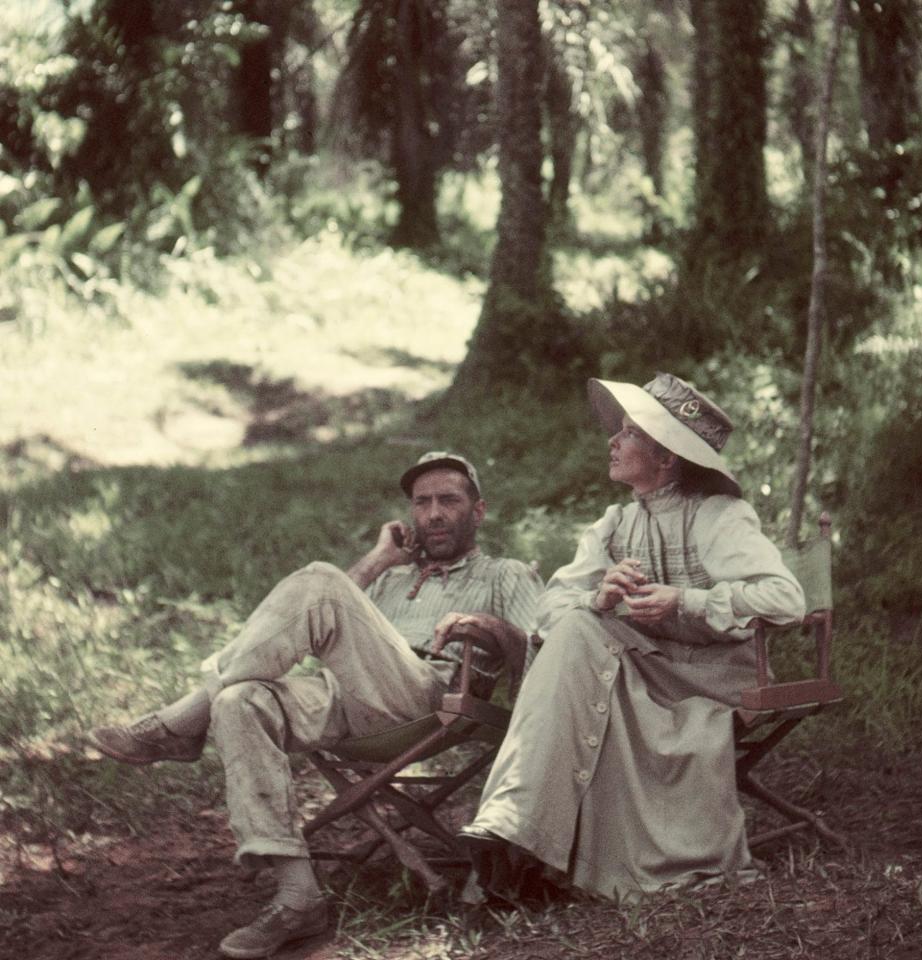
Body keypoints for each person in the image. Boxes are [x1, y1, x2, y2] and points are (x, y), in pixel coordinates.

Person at [87, 451, 543, 959]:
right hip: (346, 695)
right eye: (422, 503)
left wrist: (487, 628)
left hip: (430, 697)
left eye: (449, 501)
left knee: (323, 580)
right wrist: (376, 562)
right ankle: (298, 897)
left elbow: (541, 644)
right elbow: (317, 610)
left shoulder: (504, 574)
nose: (433, 513)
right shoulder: (391, 577)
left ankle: (179, 723)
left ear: (478, 511)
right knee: (241, 701)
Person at [458, 374, 806, 903]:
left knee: (581, 648)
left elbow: (785, 599)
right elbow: (549, 609)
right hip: (644, 672)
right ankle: (515, 829)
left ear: (666, 457)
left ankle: (518, 835)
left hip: (711, 681)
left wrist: (684, 600)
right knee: (576, 623)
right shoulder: (615, 523)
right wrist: (599, 596)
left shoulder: (716, 515)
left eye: (629, 434)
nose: (612, 443)